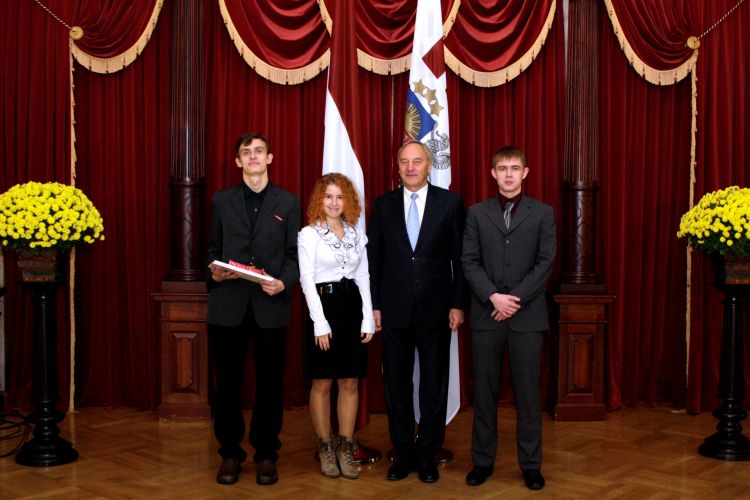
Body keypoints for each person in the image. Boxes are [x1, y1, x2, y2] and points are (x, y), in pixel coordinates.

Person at [206, 132, 301, 486]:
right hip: (228, 306)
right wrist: (214, 272)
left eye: (259, 151)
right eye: (246, 152)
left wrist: (284, 283)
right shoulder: (221, 200)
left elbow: (294, 255)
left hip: (270, 305)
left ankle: (266, 454)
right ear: (238, 161)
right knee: (227, 385)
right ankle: (230, 453)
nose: (253, 157)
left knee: (270, 384)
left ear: (270, 158)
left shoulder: (288, 202)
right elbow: (211, 249)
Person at [367, 141, 465, 483]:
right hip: (393, 311)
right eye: (405, 162)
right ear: (397, 167)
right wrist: (374, 305)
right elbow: (374, 261)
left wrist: (457, 303)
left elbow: (460, 260)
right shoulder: (383, 206)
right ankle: (403, 453)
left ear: (429, 166)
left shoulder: (450, 203)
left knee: (433, 386)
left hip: (436, 310)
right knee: (396, 386)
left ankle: (427, 455)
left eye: (417, 161)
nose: (411, 167)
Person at [461, 146, 556, 490]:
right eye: (502, 169)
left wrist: (513, 300)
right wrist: (493, 296)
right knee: (484, 394)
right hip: (486, 315)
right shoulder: (476, 213)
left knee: (528, 396)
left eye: (515, 168)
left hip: (526, 318)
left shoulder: (543, 213)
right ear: (493, 174)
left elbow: (545, 262)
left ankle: (530, 465)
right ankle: (482, 462)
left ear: (525, 172)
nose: (509, 174)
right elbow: (469, 261)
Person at [298, 173, 375, 480]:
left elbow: (363, 276)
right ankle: (325, 447)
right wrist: (319, 323)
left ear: (348, 201)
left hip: (351, 308)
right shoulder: (309, 235)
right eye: (328, 196)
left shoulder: (356, 234)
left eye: (340, 197)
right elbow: (306, 280)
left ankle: (345, 446)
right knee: (322, 382)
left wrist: (367, 317)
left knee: (350, 381)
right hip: (323, 308)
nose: (333, 203)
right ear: (320, 200)